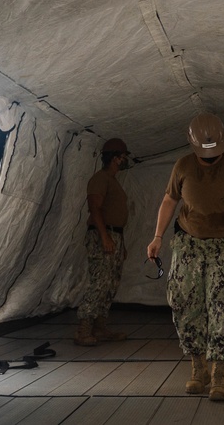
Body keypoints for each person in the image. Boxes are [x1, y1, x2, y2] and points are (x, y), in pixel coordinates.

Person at [147, 113, 224, 401]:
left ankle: (220, 372)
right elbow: (169, 200)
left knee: (222, 309)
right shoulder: (183, 166)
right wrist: (157, 237)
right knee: (184, 305)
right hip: (189, 244)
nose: (210, 158)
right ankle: (198, 366)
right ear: (192, 145)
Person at [74, 138, 131, 346]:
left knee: (111, 284)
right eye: (123, 157)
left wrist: (119, 242)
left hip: (114, 235)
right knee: (99, 282)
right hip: (102, 235)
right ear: (115, 158)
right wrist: (105, 237)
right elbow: (95, 209)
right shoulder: (100, 179)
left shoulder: (113, 180)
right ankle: (84, 329)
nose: (125, 160)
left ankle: (100, 328)